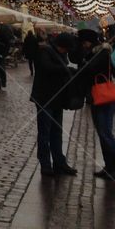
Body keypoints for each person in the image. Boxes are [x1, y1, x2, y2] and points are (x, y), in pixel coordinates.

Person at [77, 28, 115, 180]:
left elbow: (88, 68)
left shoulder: (102, 53)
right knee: (102, 133)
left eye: (84, 42)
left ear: (89, 41)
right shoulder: (93, 53)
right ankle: (109, 166)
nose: (83, 46)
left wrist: (85, 60)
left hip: (104, 97)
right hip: (96, 97)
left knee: (106, 133)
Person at [31, 33, 77, 176]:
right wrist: (66, 69)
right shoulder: (44, 51)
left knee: (56, 132)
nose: (67, 52)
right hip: (44, 98)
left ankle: (59, 162)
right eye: (66, 49)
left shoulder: (61, 54)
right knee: (45, 132)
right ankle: (45, 164)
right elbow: (46, 68)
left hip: (58, 98)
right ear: (61, 46)